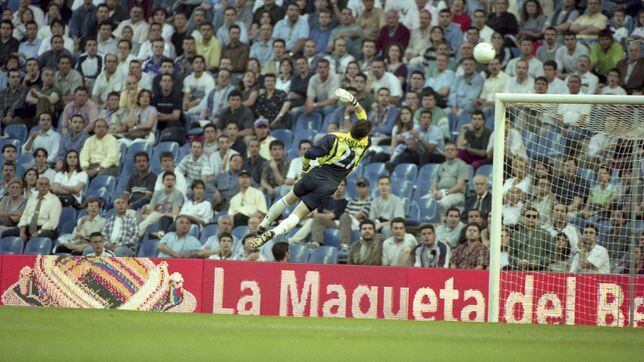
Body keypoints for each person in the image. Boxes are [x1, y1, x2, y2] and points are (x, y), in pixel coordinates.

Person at [252, 89, 371, 248]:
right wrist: (354, 102)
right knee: (298, 215)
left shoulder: (334, 137)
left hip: (316, 174)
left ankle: (264, 223)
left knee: (287, 199)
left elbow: (308, 154)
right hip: (330, 185)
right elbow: (363, 117)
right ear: (365, 134)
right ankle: (274, 232)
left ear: (351, 127)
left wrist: (304, 171)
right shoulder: (365, 143)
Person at [12, 177, 61, 242]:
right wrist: (22, 232)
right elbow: (25, 215)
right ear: (36, 186)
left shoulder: (55, 200)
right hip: (28, 227)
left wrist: (38, 232)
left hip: (45, 229)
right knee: (7, 234)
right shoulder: (32, 198)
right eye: (41, 184)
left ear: (49, 187)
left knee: (39, 238)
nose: (43, 186)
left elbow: (52, 222)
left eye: (46, 184)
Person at [139, 171, 184, 238]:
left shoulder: (178, 194)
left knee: (153, 216)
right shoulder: (157, 193)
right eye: (167, 180)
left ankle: (134, 238)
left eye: (172, 180)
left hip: (167, 218)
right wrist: (145, 209)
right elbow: (151, 209)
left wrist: (159, 213)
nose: (170, 182)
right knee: (132, 214)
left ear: (175, 182)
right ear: (163, 182)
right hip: (154, 215)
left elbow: (175, 213)